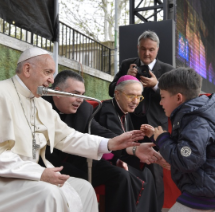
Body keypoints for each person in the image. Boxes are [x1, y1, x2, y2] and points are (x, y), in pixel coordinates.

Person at [0, 47, 145, 212]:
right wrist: (39, 174)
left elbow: (68, 137)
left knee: (84, 188)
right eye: (48, 72)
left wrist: (109, 143)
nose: (52, 80)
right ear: (27, 69)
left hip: (20, 176)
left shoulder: (40, 104)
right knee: (49, 192)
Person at [41, 70, 163, 212]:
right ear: (57, 92)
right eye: (75, 94)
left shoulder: (84, 108)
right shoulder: (41, 106)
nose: (80, 99)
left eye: (82, 94)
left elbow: (100, 132)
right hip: (47, 162)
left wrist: (133, 148)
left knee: (121, 176)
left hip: (78, 160)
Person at [147, 67, 215, 211]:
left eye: (163, 97)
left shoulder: (196, 120)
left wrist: (162, 139)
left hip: (208, 194)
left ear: (178, 98)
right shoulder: (196, 116)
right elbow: (194, 156)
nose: (160, 103)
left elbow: (187, 159)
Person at [108, 30, 174, 210]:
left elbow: (175, 97)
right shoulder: (126, 64)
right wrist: (125, 77)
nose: (147, 53)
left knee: (155, 169)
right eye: (143, 49)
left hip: (155, 128)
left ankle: (155, 208)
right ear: (138, 48)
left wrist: (156, 86)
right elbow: (111, 90)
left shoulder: (167, 70)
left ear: (157, 49)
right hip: (129, 124)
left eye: (151, 50)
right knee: (128, 166)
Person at [95, 75, 170, 212]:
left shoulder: (125, 112)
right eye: (130, 96)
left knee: (147, 173)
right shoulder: (107, 111)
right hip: (102, 160)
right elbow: (114, 142)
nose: (135, 101)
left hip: (119, 157)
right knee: (132, 175)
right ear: (117, 94)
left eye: (139, 97)